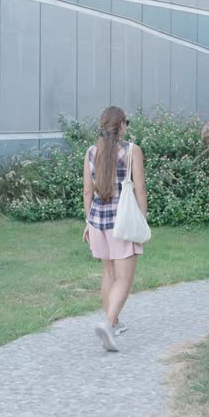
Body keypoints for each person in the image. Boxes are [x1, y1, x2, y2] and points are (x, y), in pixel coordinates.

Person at [82, 106, 147, 352]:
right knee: (124, 278)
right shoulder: (132, 151)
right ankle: (109, 323)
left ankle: (114, 322)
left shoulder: (91, 151)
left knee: (109, 273)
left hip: (98, 222)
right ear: (121, 125)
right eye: (126, 122)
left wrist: (88, 222)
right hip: (123, 223)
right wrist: (143, 221)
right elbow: (140, 189)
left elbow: (87, 191)